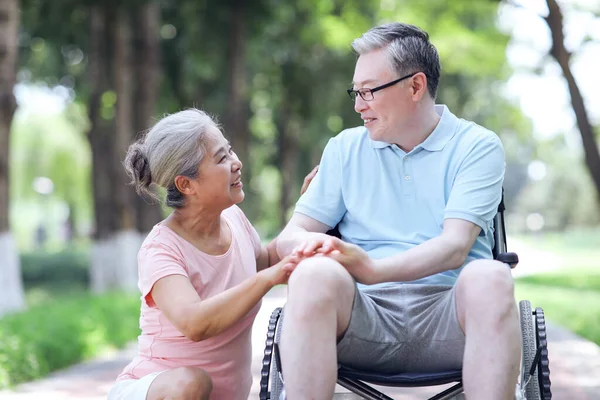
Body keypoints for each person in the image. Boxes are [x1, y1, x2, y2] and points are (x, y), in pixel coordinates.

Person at [276, 22, 521, 400]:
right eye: (355, 93)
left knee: (491, 276)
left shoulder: (477, 146)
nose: (358, 105)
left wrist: (371, 268)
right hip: (365, 320)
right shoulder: (344, 149)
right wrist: (318, 250)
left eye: (369, 91)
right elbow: (290, 237)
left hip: (450, 317)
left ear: (415, 86)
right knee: (312, 275)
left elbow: (456, 246)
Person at [108, 109, 302, 400]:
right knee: (191, 383)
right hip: (159, 389)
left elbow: (269, 261)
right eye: (222, 158)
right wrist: (268, 279)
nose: (236, 163)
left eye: (231, 151)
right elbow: (195, 323)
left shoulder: (235, 220)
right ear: (186, 184)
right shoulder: (161, 248)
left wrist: (309, 209)